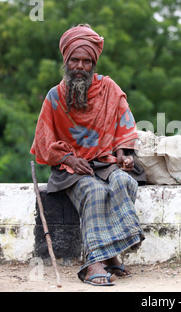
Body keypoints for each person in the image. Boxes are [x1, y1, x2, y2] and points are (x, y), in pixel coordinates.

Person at [30, 24, 145, 286]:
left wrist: (123, 155)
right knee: (94, 192)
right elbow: (43, 142)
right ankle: (94, 262)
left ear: (93, 63)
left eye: (86, 60)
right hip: (70, 169)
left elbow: (124, 125)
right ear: (66, 61)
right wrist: (69, 159)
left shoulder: (109, 89)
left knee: (124, 181)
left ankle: (113, 253)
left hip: (105, 161)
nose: (80, 66)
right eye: (75, 60)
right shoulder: (54, 97)